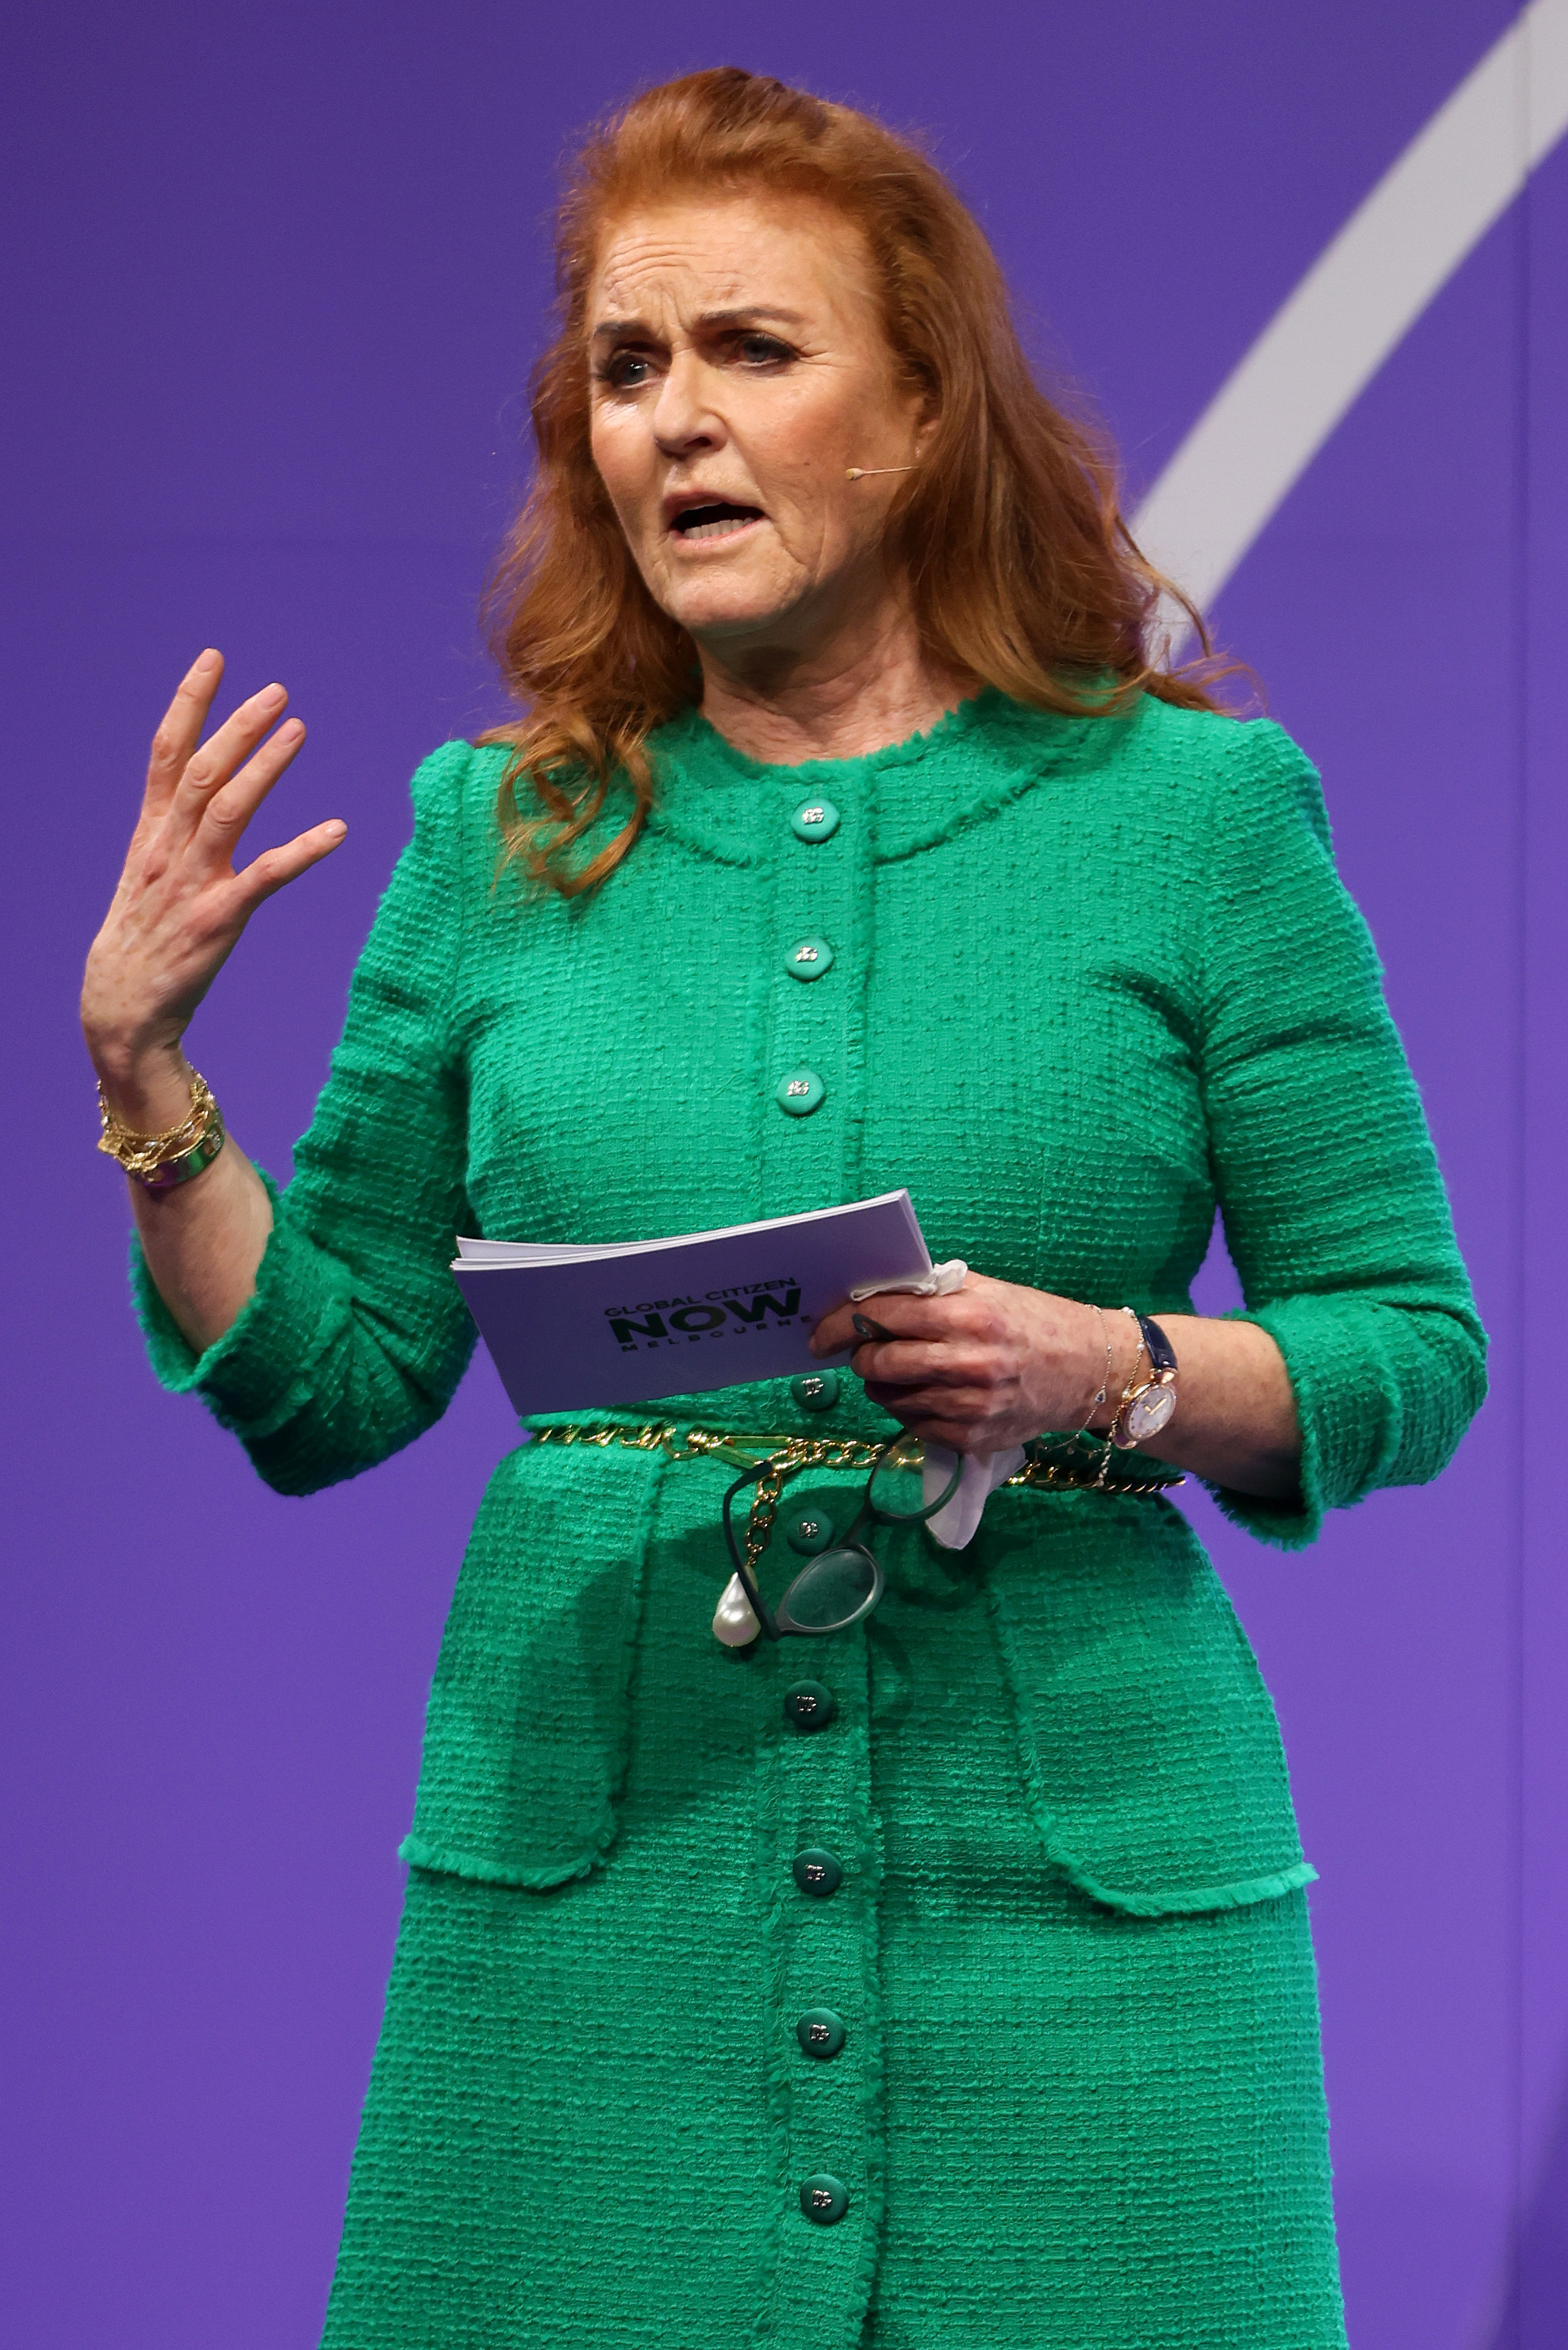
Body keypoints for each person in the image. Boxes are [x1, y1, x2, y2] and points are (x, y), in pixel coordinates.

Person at [80, 66, 1484, 2350]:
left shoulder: (1199, 821)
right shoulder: (498, 837)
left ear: (921, 413)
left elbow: (1409, 1350)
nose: (674, 424)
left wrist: (1102, 1373)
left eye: (752, 351)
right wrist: (151, 1085)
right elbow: (331, 1383)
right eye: (627, 370)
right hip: (594, 1915)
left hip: (1088, 1935)